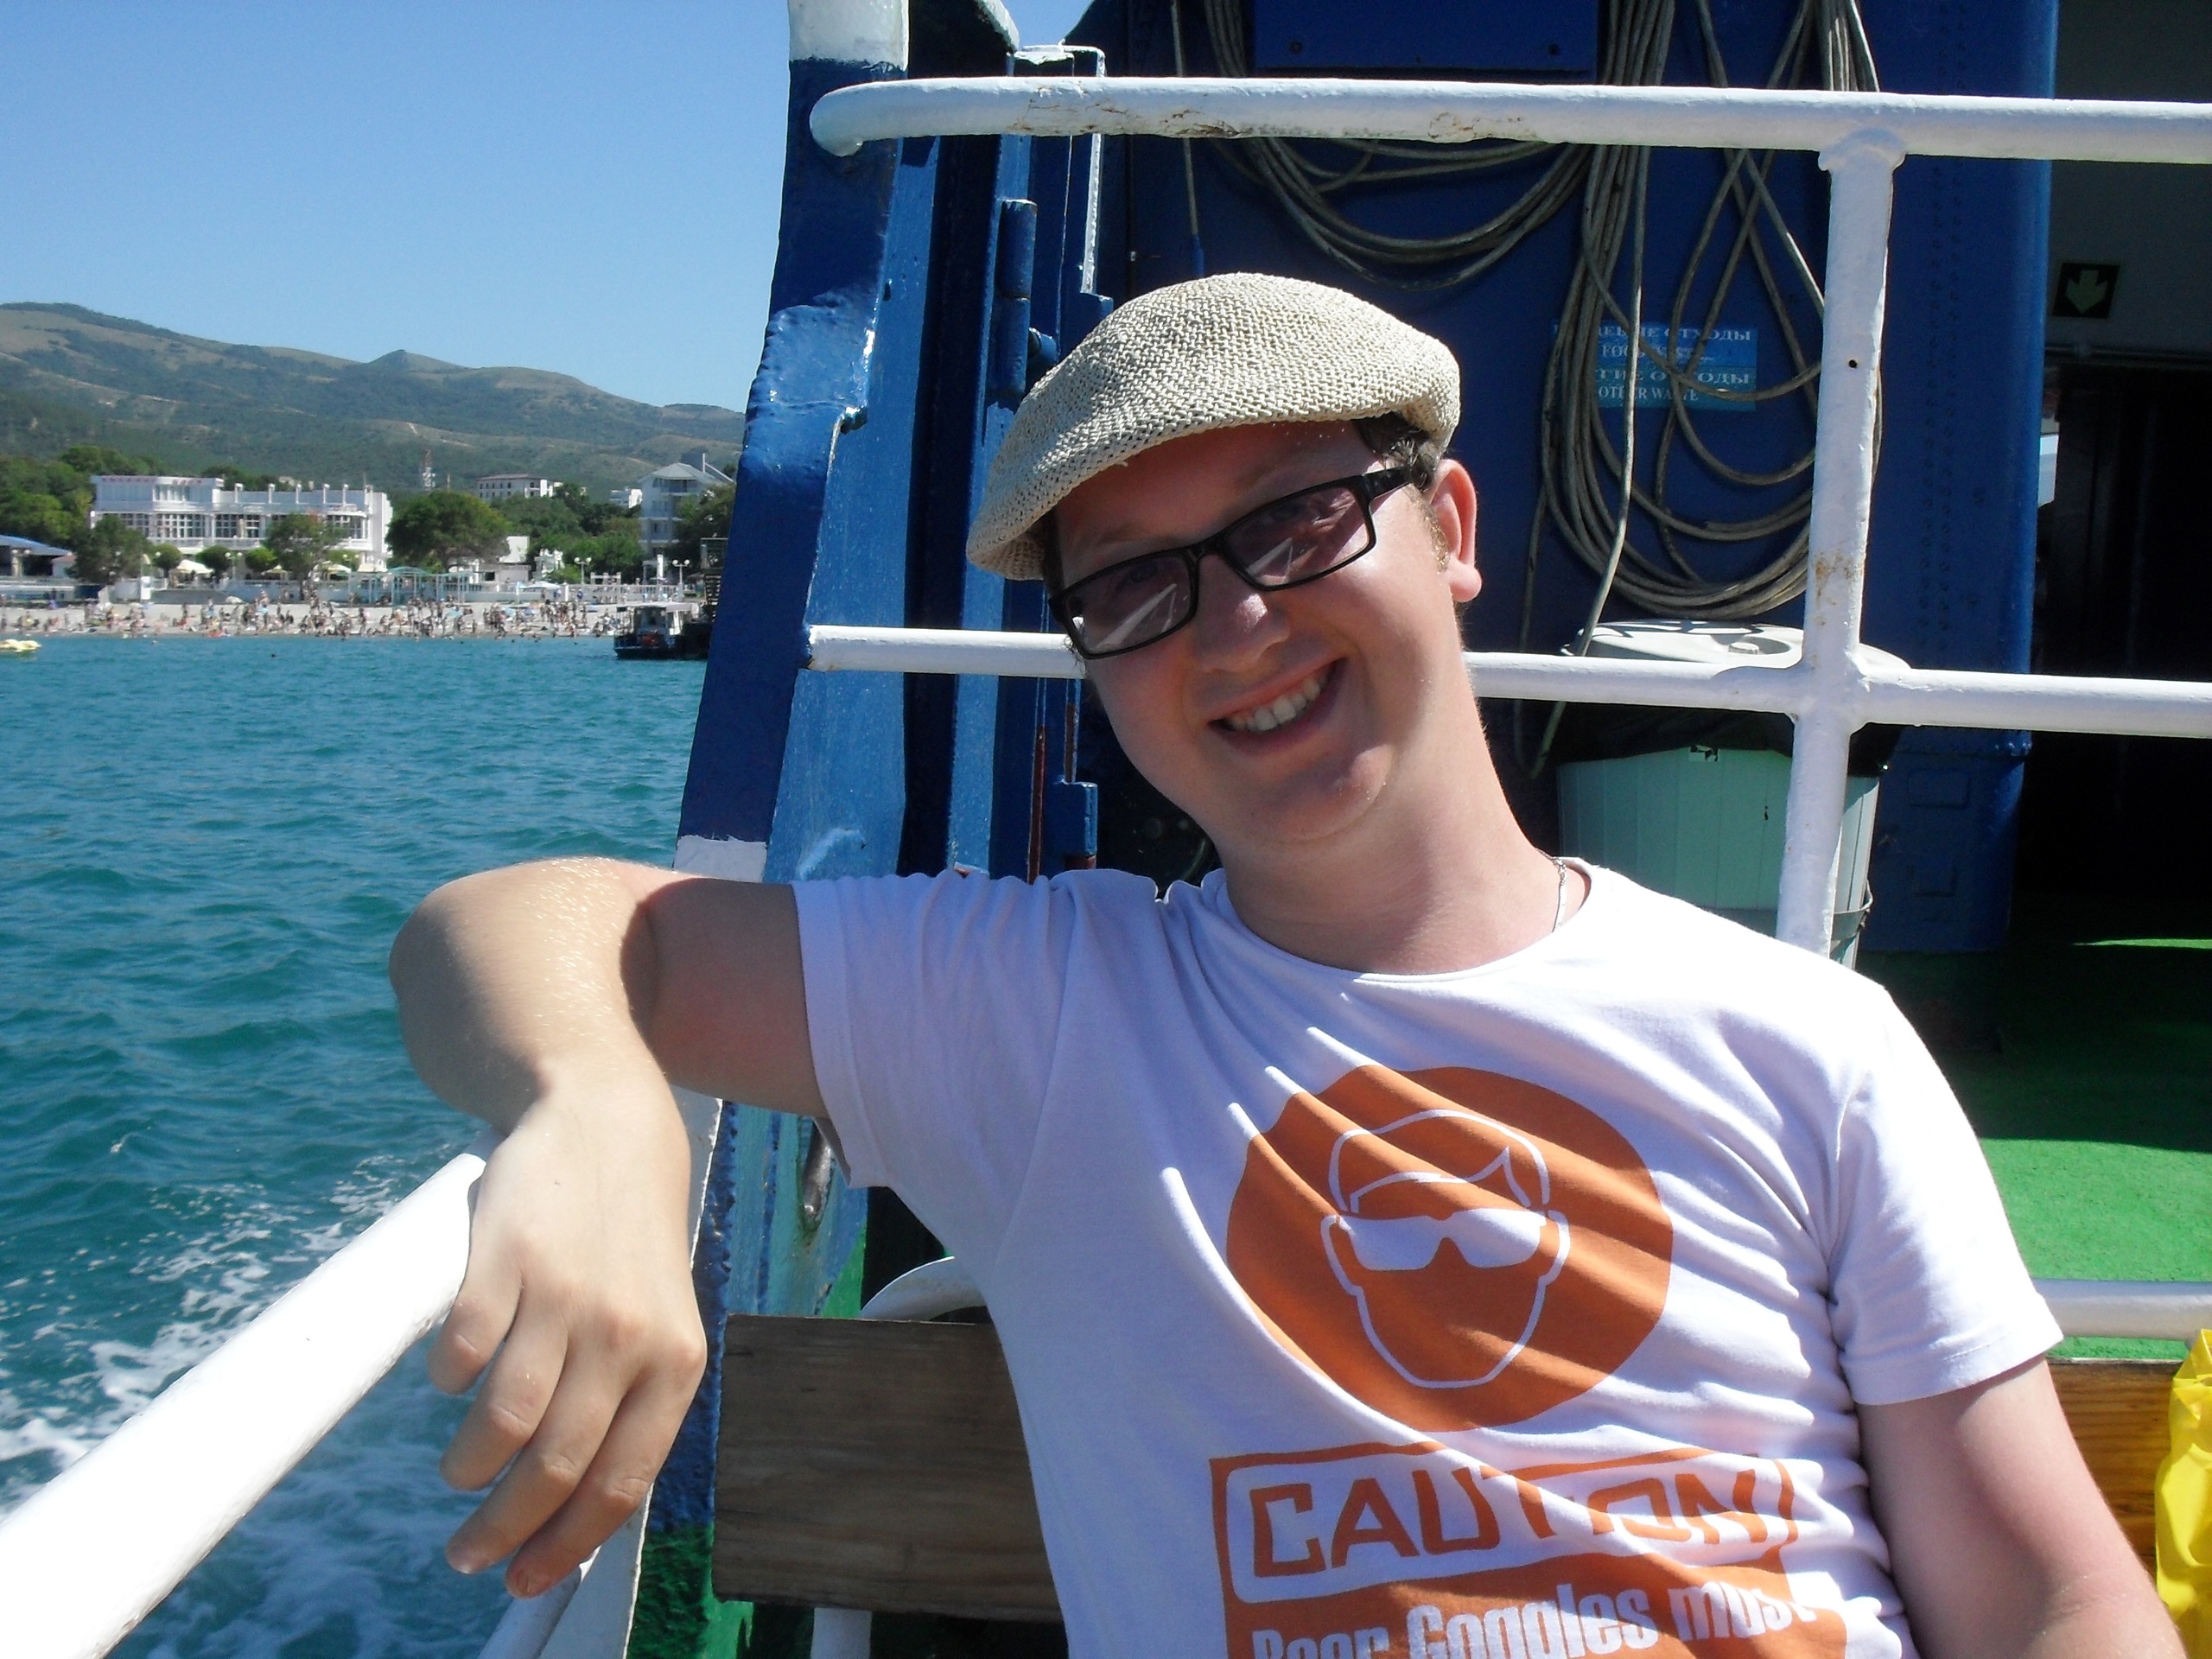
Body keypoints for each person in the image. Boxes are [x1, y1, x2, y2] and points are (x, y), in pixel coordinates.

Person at [389, 274, 2175, 1657]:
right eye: (1132, 587)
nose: (1235, 623)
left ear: (1451, 528)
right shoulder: (1045, 1018)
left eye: (1300, 520)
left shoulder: (1807, 1038)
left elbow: (2046, 1594)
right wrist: (598, 1107)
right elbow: (497, 928)